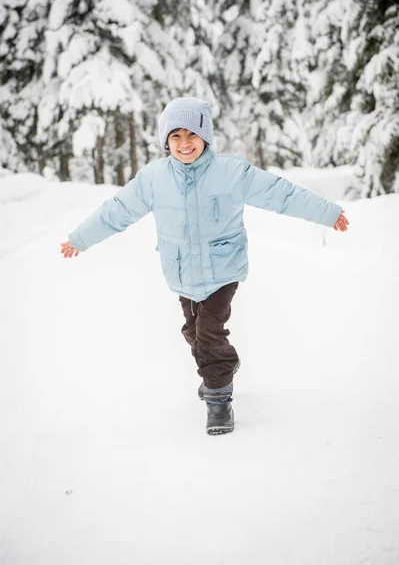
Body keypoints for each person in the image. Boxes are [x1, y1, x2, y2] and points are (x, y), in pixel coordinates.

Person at [61, 97, 349, 436]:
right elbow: (117, 211)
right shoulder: (153, 178)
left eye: (191, 135)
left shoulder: (231, 172)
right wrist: (80, 238)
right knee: (193, 332)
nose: (185, 144)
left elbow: (280, 194)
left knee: (209, 333)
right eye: (176, 137)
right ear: (165, 142)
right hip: (181, 272)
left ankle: (218, 397)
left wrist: (327, 213)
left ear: (205, 137)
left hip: (222, 269)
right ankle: (221, 365)